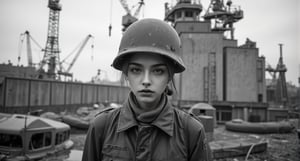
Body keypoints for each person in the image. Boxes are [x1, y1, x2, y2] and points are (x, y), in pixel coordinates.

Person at [82, 18, 212, 161]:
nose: (146, 81)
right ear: (126, 74)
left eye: (158, 71)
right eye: (136, 70)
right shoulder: (101, 127)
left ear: (169, 76)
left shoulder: (191, 131)